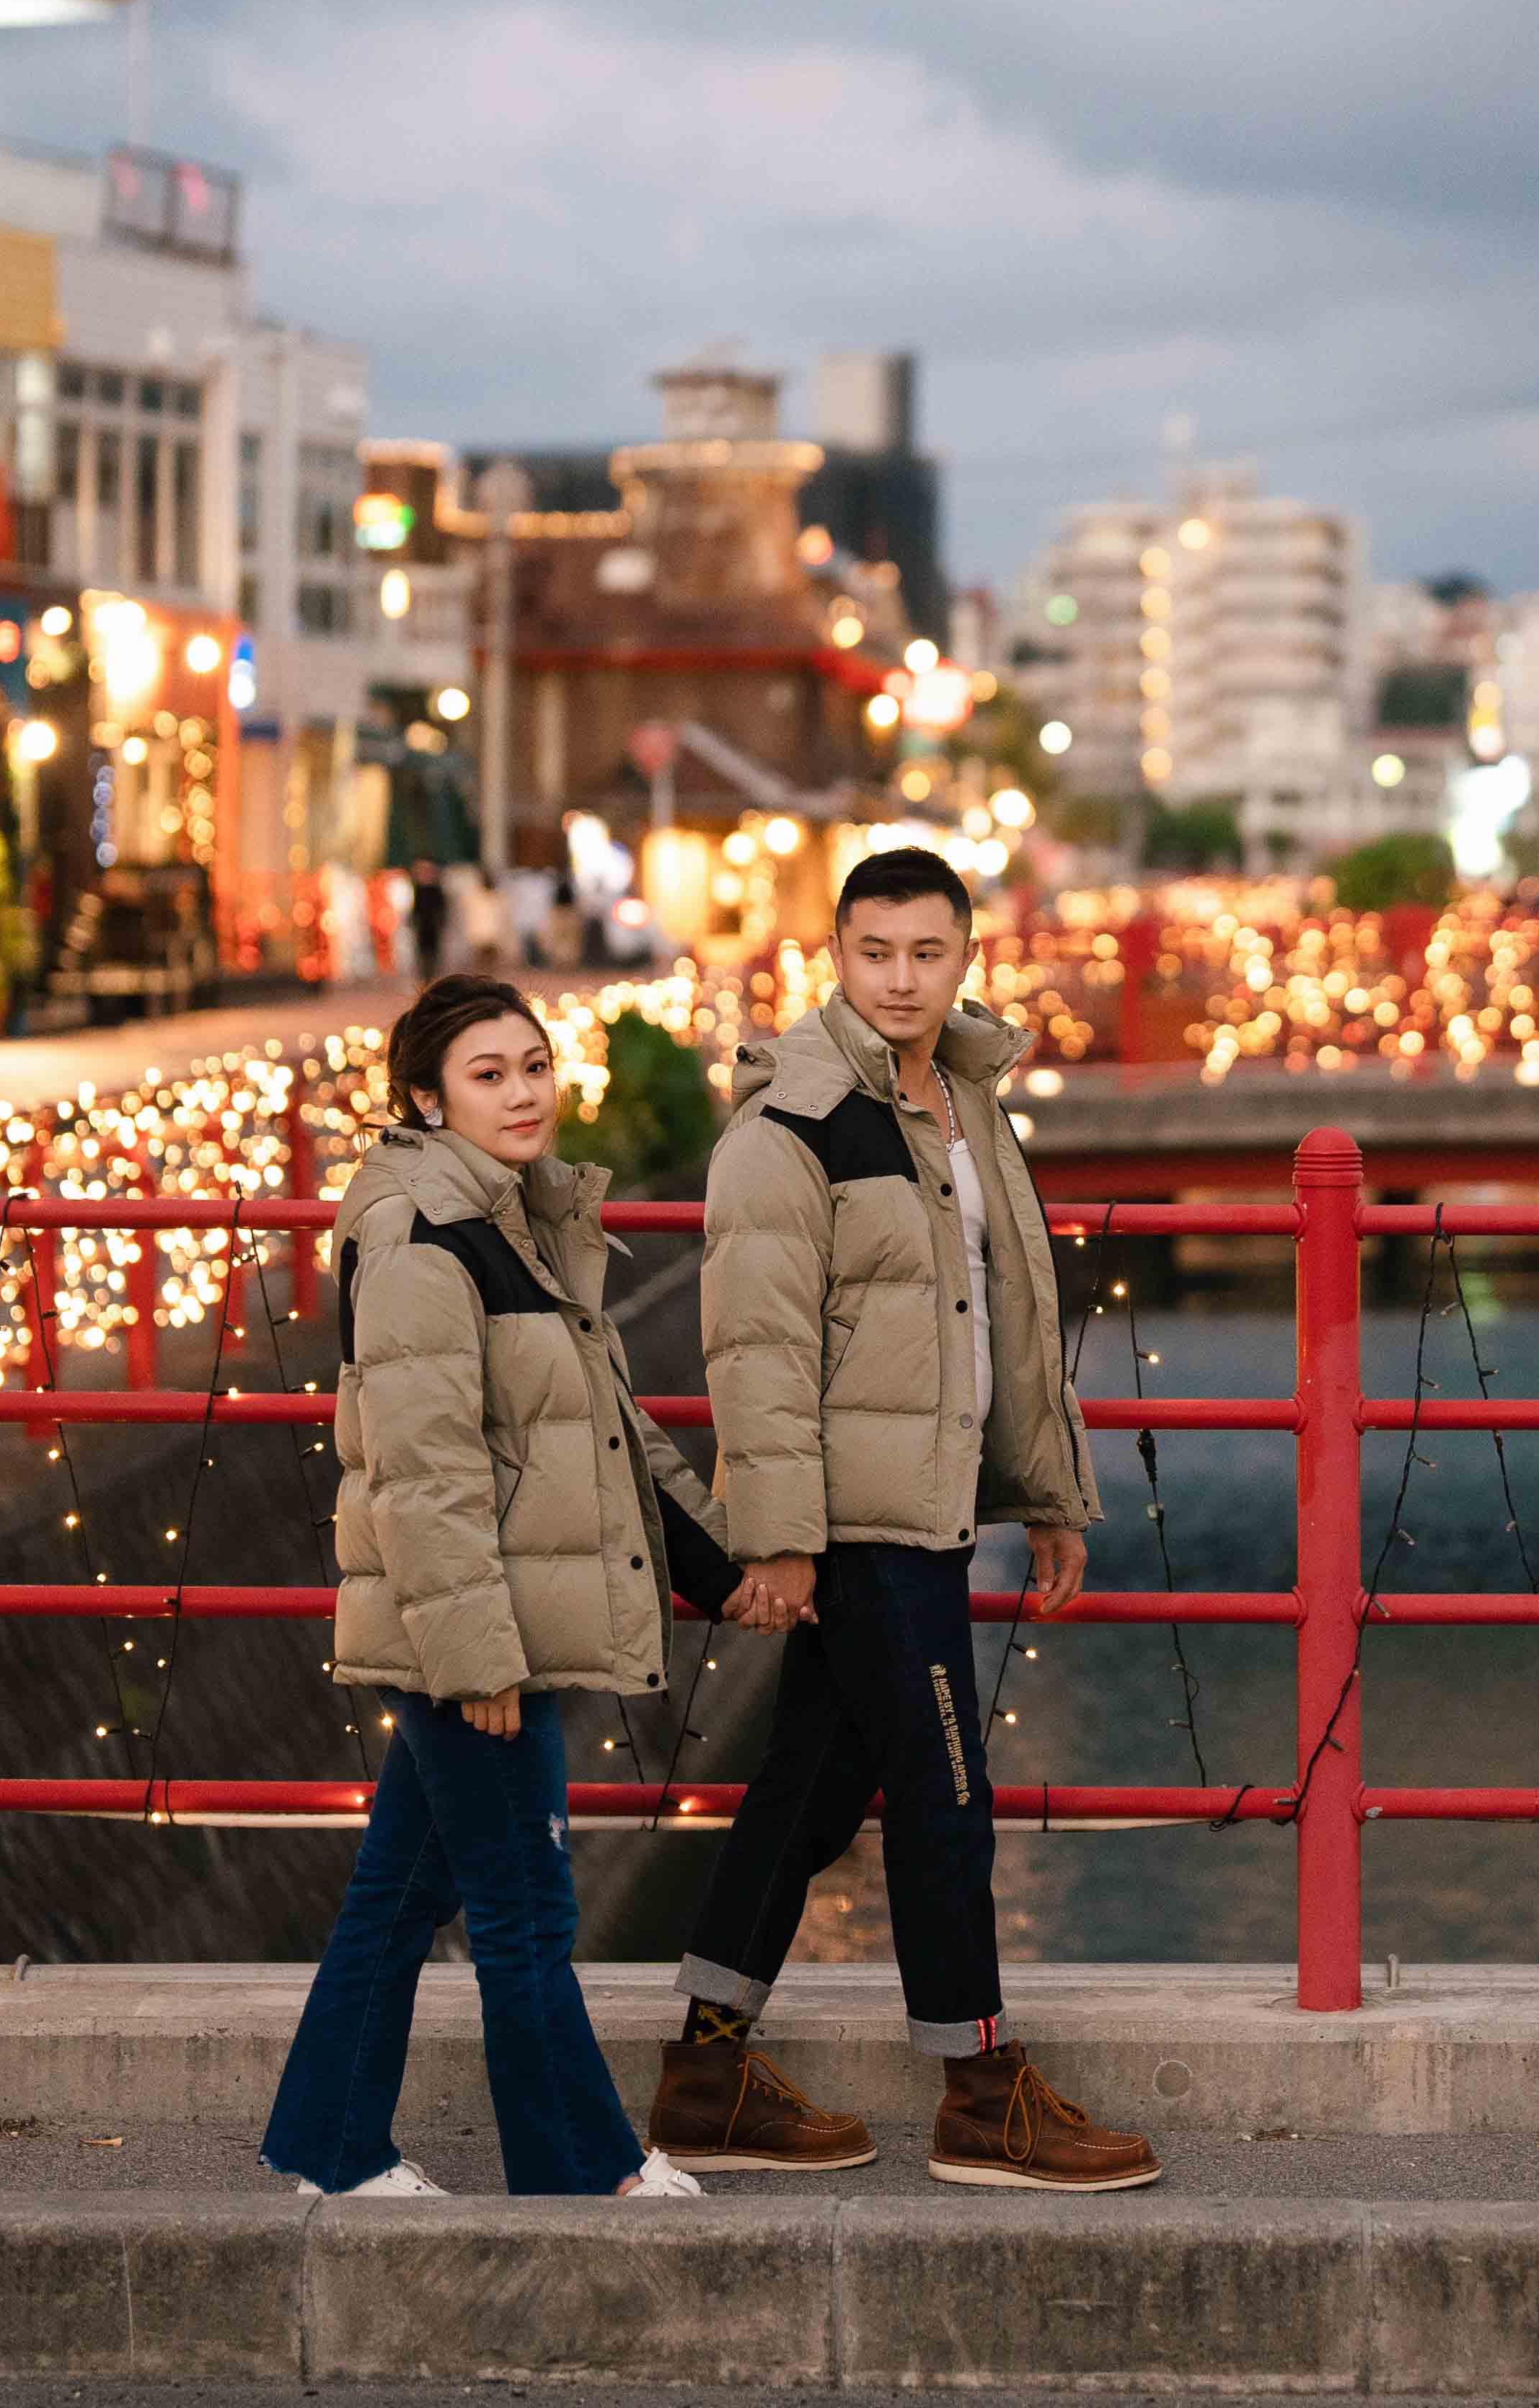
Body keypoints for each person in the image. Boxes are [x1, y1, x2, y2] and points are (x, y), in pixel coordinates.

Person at [647, 848, 1161, 2190]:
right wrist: (777, 1536)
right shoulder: (793, 1125)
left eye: (926, 954)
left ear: (966, 958)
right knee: (943, 1794)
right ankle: (981, 2094)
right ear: (836, 952)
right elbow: (754, 1349)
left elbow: (1009, 1318)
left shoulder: (966, 1103)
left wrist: (1048, 1494)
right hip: (859, 1521)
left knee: (810, 1789)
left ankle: (704, 2077)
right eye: (876, 952)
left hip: (931, 1505)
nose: (900, 979)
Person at [260, 973, 729, 2202]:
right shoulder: (422, 1233)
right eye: (488, 1073)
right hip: (471, 1634)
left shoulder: (513, 1215)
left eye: (533, 1065)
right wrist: (477, 1662)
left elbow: (607, 1430)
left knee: (401, 1896)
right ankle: (583, 2169)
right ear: (425, 1097)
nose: (524, 1092)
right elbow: (426, 1472)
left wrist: (722, 1564)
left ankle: (330, 2146)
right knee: (526, 1912)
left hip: (488, 1619)